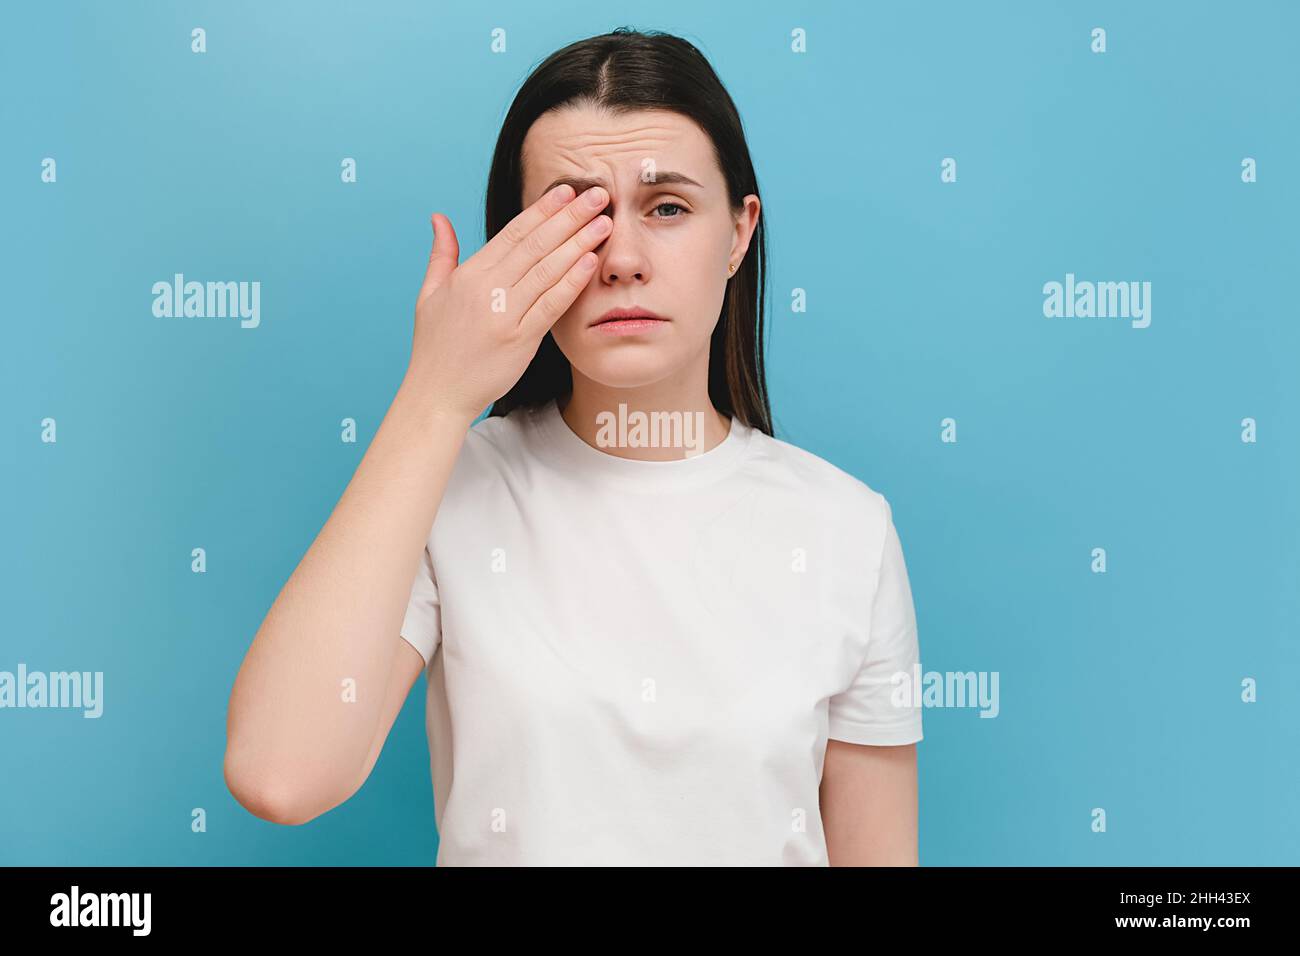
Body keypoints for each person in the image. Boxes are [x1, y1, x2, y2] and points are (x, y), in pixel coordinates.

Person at [224, 27, 923, 866]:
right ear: (518, 246)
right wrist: (434, 395)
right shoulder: (450, 487)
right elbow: (280, 775)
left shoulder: (847, 532)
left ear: (738, 234)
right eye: (578, 214)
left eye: (667, 208)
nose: (623, 259)